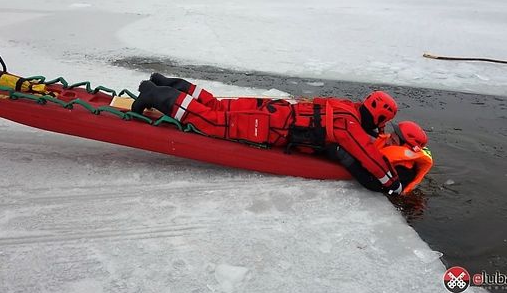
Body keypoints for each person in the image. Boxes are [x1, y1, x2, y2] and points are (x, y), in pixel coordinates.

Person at [132, 73, 404, 195]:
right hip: (271, 126)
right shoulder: (350, 127)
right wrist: (393, 182)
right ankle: (156, 94)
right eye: (382, 125)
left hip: (274, 109)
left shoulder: (346, 107)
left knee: (215, 104)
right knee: (211, 122)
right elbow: (370, 158)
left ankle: (170, 84)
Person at [333, 120, 433, 195]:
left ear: (405, 148)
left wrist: (348, 161)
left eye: (393, 141)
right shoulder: (388, 143)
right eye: (390, 137)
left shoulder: (404, 171)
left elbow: (377, 185)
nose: (388, 141)